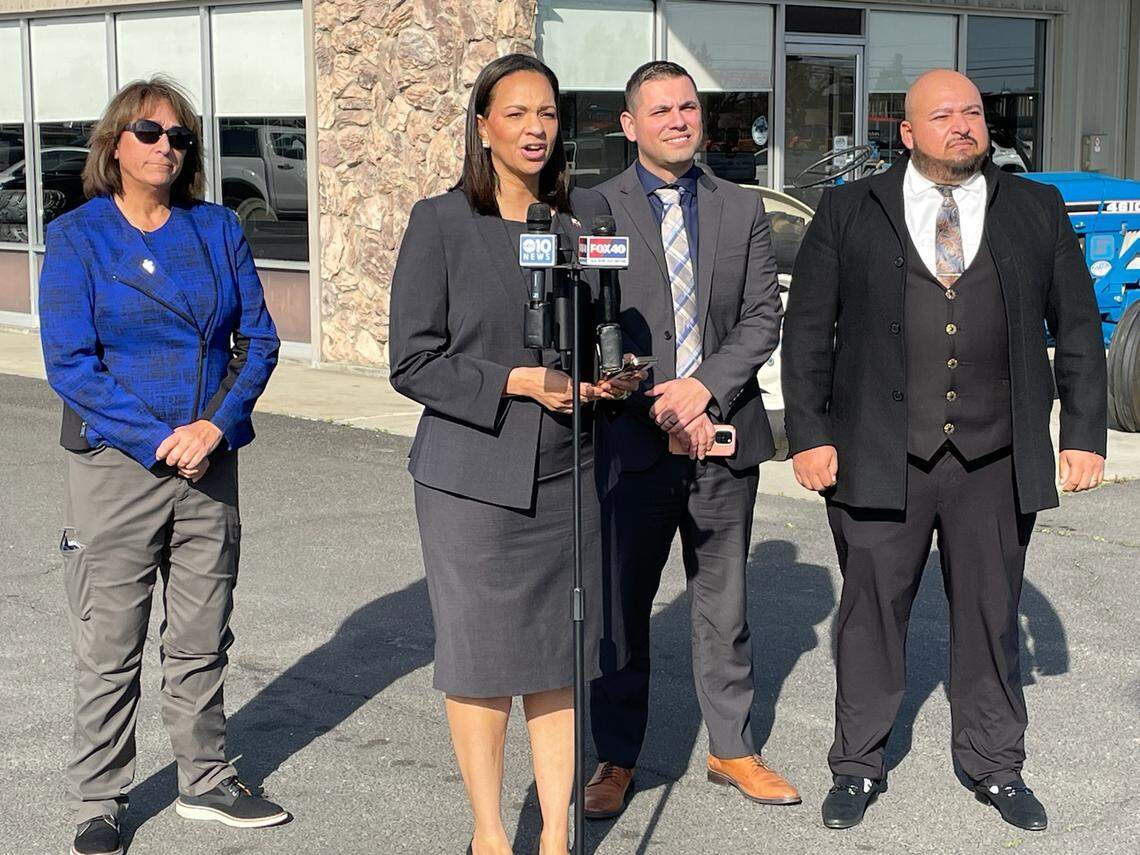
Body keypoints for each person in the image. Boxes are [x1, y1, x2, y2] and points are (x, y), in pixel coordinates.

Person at [782, 69, 1107, 832]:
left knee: (993, 617)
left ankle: (996, 764)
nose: (962, 124)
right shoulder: (847, 207)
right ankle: (858, 764)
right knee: (868, 616)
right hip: (874, 452)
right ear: (906, 132)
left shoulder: (1036, 206)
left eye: (973, 112)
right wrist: (811, 434)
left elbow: (1082, 327)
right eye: (942, 114)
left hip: (994, 457)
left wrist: (1084, 434)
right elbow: (807, 332)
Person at [387, 54, 638, 855]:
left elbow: (596, 335)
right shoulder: (440, 222)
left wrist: (607, 380)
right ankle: (492, 834)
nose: (536, 129)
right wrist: (518, 380)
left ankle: (558, 835)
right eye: (518, 113)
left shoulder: (580, 220)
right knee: (484, 661)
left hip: (568, 476)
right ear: (483, 126)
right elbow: (413, 360)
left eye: (549, 114)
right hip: (472, 481)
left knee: (558, 658)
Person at [38, 77, 287, 855]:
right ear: (115, 143)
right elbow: (71, 362)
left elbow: (261, 341)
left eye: (179, 137)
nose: (165, 148)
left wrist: (214, 425)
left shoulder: (216, 229)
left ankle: (204, 777)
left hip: (208, 458)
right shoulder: (80, 236)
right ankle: (100, 797)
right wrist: (158, 438)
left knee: (202, 633)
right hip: (120, 462)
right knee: (109, 640)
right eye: (149, 132)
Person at [584, 61, 796, 820]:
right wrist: (655, 400)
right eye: (661, 109)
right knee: (620, 609)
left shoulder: (741, 208)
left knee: (724, 606)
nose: (679, 119)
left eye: (688, 106)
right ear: (629, 124)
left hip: (724, 440)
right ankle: (615, 756)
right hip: (629, 442)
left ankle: (732, 746)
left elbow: (762, 318)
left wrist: (702, 390)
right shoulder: (591, 210)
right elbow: (584, 329)